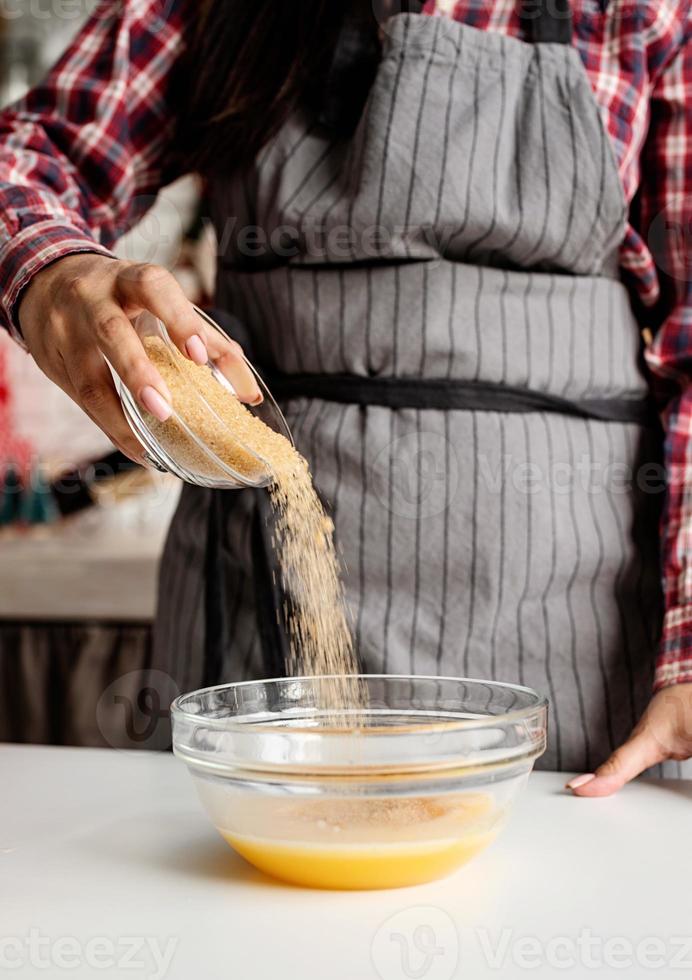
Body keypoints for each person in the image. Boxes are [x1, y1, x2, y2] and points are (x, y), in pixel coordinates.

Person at [1, 0, 690, 792]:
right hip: (259, 612)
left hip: (575, 643)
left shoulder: (648, 13)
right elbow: (29, 154)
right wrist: (48, 268)